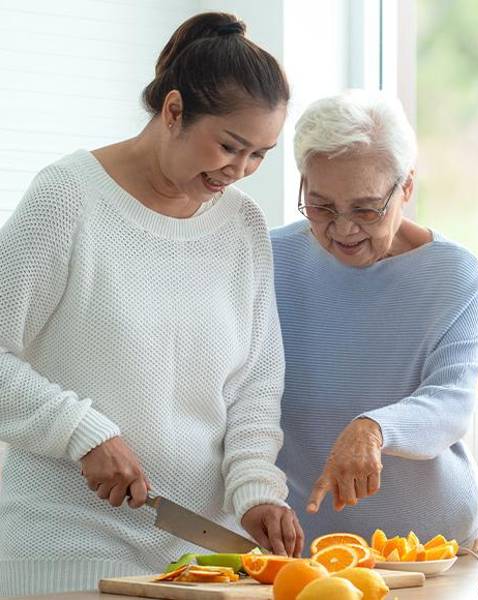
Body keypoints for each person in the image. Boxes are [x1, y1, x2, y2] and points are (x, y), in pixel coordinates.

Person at [0, 12, 302, 595]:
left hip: (200, 562)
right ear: (172, 111)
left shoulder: (242, 225)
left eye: (260, 154)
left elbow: (254, 388)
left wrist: (256, 490)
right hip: (65, 551)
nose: (238, 171)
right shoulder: (68, 199)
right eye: (229, 145)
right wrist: (80, 430)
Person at [272, 90, 478, 551]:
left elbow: (451, 403)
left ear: (406, 188)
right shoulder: (270, 258)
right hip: (303, 550)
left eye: (367, 209)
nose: (344, 229)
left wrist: (374, 428)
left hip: (434, 550)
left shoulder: (453, 273)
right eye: (322, 206)